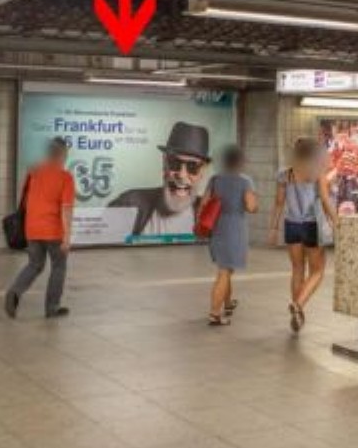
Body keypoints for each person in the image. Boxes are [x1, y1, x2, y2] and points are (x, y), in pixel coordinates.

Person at [269, 138, 339, 333]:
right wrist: (337, 223)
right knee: (317, 271)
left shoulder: (285, 174)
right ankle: (298, 304)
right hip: (311, 226)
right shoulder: (317, 173)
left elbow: (278, 203)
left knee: (297, 269)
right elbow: (325, 200)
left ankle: (297, 312)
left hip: (291, 225)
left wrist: (273, 228)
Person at [5, 138, 75, 319]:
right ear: (62, 154)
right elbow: (66, 208)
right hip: (53, 231)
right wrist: (67, 237)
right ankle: (52, 308)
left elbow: (26, 201)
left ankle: (14, 292)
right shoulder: (65, 177)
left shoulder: (34, 172)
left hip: (32, 229)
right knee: (59, 266)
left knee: (35, 264)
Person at [109, 121, 211, 236]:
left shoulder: (210, 214)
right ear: (164, 163)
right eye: (174, 163)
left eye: (192, 167)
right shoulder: (128, 203)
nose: (182, 175)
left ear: (202, 171)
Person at [202, 145, 258, 326]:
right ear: (240, 161)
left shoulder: (215, 179)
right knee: (224, 272)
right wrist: (253, 202)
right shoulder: (245, 181)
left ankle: (227, 303)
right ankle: (214, 313)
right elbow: (251, 206)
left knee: (226, 268)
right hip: (234, 229)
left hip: (217, 227)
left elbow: (203, 204)